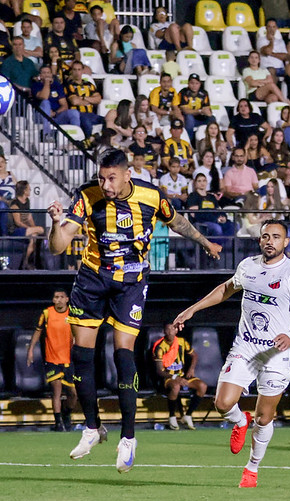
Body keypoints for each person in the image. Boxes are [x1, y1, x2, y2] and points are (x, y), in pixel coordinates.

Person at [47, 148, 222, 472]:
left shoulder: (151, 196)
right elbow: (58, 246)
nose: (105, 184)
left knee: (123, 354)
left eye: (111, 178)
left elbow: (178, 221)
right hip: (93, 278)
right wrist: (56, 224)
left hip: (131, 283)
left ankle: (128, 438)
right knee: (81, 356)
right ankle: (92, 427)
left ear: (128, 174)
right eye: (102, 177)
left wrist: (204, 241)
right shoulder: (87, 195)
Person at [174, 219, 290, 487]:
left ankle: (252, 468)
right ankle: (240, 421)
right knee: (223, 404)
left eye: (276, 237)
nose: (269, 241)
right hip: (246, 346)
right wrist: (192, 309)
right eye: (265, 236)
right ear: (259, 240)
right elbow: (226, 289)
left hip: (275, 353)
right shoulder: (248, 266)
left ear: (286, 242)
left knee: (264, 417)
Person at [27, 288, 78, 431]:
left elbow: (78, 332)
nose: (59, 300)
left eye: (62, 297)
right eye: (56, 297)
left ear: (67, 299)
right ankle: (58, 423)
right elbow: (38, 331)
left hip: (68, 360)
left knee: (73, 394)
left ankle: (66, 414)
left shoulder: (72, 313)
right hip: (52, 359)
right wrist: (30, 350)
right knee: (56, 390)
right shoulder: (47, 313)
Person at [152, 321, 208, 431]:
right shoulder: (160, 347)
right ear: (164, 332)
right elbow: (159, 371)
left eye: (172, 329)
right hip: (168, 378)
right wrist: (174, 378)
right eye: (167, 330)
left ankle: (188, 415)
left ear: (176, 330)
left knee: (202, 386)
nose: (170, 332)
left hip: (182, 375)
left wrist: (191, 369)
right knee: (176, 386)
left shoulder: (181, 342)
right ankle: (172, 416)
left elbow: (194, 355)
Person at [8, 180, 43, 270]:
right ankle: (26, 262)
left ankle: (26, 263)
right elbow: (18, 222)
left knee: (34, 236)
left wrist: (33, 228)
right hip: (16, 230)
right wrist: (32, 228)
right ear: (24, 191)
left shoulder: (27, 201)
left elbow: (29, 217)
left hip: (26, 229)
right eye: (29, 188)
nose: (30, 190)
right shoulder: (14, 203)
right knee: (40, 230)